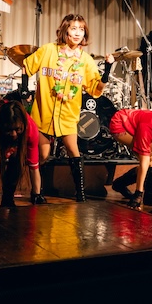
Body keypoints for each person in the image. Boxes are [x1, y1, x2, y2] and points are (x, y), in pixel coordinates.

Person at [22, 14, 113, 202]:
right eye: (73, 28)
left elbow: (95, 89)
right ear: (65, 30)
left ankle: (80, 194)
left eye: (81, 29)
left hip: (67, 115)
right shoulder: (48, 50)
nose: (78, 33)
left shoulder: (85, 60)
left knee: (74, 151)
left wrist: (107, 71)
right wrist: (24, 89)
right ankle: (37, 191)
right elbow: (26, 66)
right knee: (43, 155)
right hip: (44, 113)